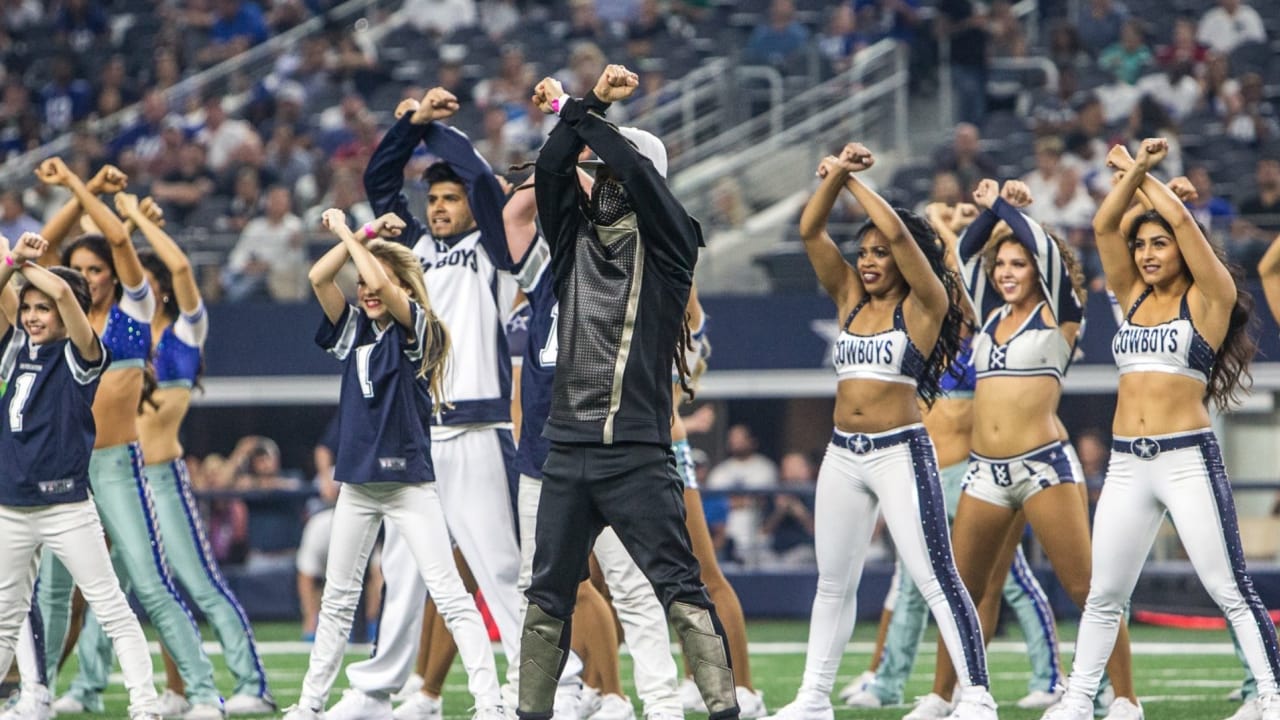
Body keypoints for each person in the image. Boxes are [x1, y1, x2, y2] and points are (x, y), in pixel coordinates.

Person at [519, 63, 740, 720]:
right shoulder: (571, 239)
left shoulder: (675, 244)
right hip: (568, 451)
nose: (603, 182)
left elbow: (634, 170)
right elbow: (554, 168)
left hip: (639, 453)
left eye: (612, 174)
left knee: (680, 590)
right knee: (545, 599)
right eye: (601, 174)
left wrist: (579, 108)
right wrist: (579, 107)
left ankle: (724, 710)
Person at [1044, 138, 1280, 720]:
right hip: (1128, 462)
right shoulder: (1132, 297)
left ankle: (1273, 694)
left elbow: (1180, 219)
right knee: (1104, 595)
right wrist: (1132, 176)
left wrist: (1143, 171)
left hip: (1185, 458)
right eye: (1142, 245)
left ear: (1184, 248)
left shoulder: (1211, 299)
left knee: (1229, 588)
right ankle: (1077, 701)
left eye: (1160, 244)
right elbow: (1104, 228)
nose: (1147, 253)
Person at [766, 143, 995, 720]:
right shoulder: (847, 298)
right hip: (843, 455)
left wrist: (853, 184)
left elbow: (898, 234)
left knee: (935, 576)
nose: (868, 262)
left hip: (900, 452)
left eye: (878, 254)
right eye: (861, 253)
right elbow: (810, 230)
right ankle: (813, 698)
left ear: (903, 258)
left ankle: (976, 695)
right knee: (832, 582)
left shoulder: (926, 303)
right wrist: (836, 176)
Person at [331, 87, 530, 720]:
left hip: (478, 430)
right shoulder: (412, 250)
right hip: (419, 436)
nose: (440, 207)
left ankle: (547, 685)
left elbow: (479, 178)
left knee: (500, 571)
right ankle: (375, 692)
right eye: (434, 199)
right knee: (404, 572)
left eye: (451, 200)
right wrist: (411, 125)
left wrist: (437, 132)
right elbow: (379, 181)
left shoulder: (498, 253)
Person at [910, 180, 1139, 720]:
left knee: (1088, 589)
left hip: (1043, 468)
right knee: (964, 588)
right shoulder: (989, 319)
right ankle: (946, 696)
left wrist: (1004, 208)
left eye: (1018, 263)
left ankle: (1125, 697)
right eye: (1002, 266)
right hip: (984, 472)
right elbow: (965, 254)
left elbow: (1042, 247)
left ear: (1039, 269)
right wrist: (990, 215)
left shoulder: (1063, 317)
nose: (1007, 273)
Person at [18, 160, 223, 720]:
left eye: (96, 267)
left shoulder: (132, 313)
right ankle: (36, 693)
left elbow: (112, 236)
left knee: (152, 584)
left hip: (120, 466)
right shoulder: (62, 319)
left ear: (114, 271)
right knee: (54, 594)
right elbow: (39, 253)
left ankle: (204, 695)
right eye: (79, 268)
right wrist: (73, 203)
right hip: (70, 467)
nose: (90, 272)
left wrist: (82, 190)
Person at [839, 202, 1062, 713]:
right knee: (915, 583)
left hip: (978, 469)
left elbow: (955, 280)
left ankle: (1050, 677)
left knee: (1009, 582)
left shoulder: (976, 329)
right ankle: (890, 681)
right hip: (926, 472)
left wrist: (944, 224)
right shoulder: (918, 334)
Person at [57, 192, 275, 716]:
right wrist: (93, 209)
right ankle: (89, 687)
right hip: (112, 473)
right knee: (111, 590)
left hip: (159, 477)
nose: (146, 288)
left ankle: (250, 685)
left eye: (152, 286)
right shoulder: (116, 337)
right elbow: (90, 255)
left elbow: (175, 264)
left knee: (194, 581)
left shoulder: (182, 336)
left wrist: (134, 219)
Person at [283, 208, 503, 720]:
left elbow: (381, 277)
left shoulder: (420, 328)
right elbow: (319, 276)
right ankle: (310, 705)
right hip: (358, 485)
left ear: (405, 285)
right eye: (359, 283)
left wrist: (345, 230)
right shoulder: (355, 330)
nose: (366, 290)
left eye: (375, 282)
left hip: (408, 484)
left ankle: (490, 703)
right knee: (338, 601)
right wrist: (361, 234)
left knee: (450, 595)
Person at [0, 232, 161, 720]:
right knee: (5, 619)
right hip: (11, 504)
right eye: (26, 308)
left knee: (109, 606)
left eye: (41, 309)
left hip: (65, 506)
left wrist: (22, 262)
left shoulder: (81, 356)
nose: (32, 316)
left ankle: (146, 705)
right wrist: (13, 261)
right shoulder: (14, 349)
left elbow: (68, 294)